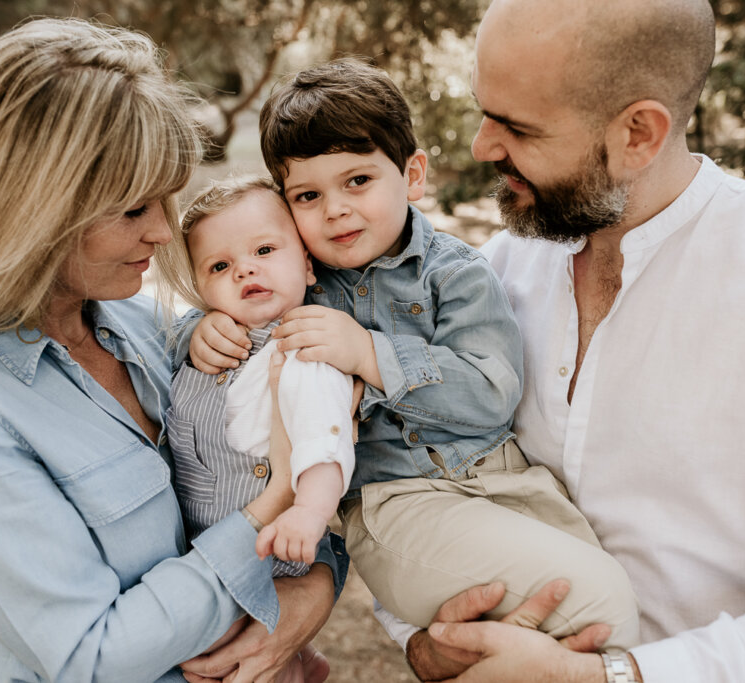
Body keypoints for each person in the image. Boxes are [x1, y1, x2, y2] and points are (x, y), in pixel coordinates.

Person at [0, 18, 344, 683]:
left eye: (163, 201)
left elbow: (301, 471)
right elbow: (91, 656)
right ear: (30, 210)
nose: (165, 231)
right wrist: (272, 504)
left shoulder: (148, 328)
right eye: (133, 209)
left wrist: (311, 590)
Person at [391, 0, 745, 681]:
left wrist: (607, 676)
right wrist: (420, 637)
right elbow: (403, 479)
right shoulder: (486, 276)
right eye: (485, 110)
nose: (482, 146)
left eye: (517, 126)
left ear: (639, 132)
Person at [188, 58, 640, 650]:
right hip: (393, 503)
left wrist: (368, 352)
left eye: (358, 181)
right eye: (307, 195)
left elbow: (490, 392)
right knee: (600, 603)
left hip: (506, 482)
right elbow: (227, 296)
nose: (335, 209)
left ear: (413, 174)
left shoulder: (457, 274)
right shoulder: (297, 279)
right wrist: (203, 329)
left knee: (601, 617)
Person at [159, 176, 357, 682]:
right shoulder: (212, 341)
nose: (245, 268)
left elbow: (326, 438)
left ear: (307, 263)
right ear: (201, 288)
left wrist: (310, 514)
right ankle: (301, 665)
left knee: (234, 654)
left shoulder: (303, 347)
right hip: (207, 538)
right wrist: (193, 332)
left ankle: (294, 667)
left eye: (265, 249)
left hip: (266, 548)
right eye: (220, 266)